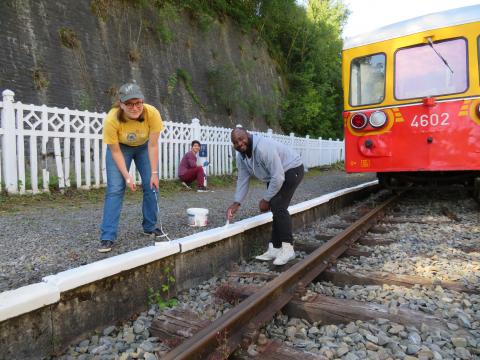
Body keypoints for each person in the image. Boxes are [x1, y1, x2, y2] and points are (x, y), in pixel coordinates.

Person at [98, 83, 164, 253]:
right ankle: (108, 236)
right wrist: (127, 177)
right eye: (129, 104)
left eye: (138, 103)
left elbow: (153, 145)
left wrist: (154, 173)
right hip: (121, 148)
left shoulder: (152, 113)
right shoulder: (112, 119)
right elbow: (115, 151)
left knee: (152, 185)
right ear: (121, 104)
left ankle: (150, 226)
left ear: (142, 101)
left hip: (144, 147)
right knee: (115, 188)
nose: (134, 108)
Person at [226, 128, 304, 265]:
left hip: (291, 169)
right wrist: (236, 202)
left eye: (241, 139)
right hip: (274, 176)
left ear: (248, 135)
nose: (239, 143)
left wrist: (266, 199)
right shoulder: (241, 156)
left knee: (278, 205)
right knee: (276, 208)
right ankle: (275, 248)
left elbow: (279, 176)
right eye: (235, 142)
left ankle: (288, 249)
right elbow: (243, 179)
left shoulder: (263, 147)